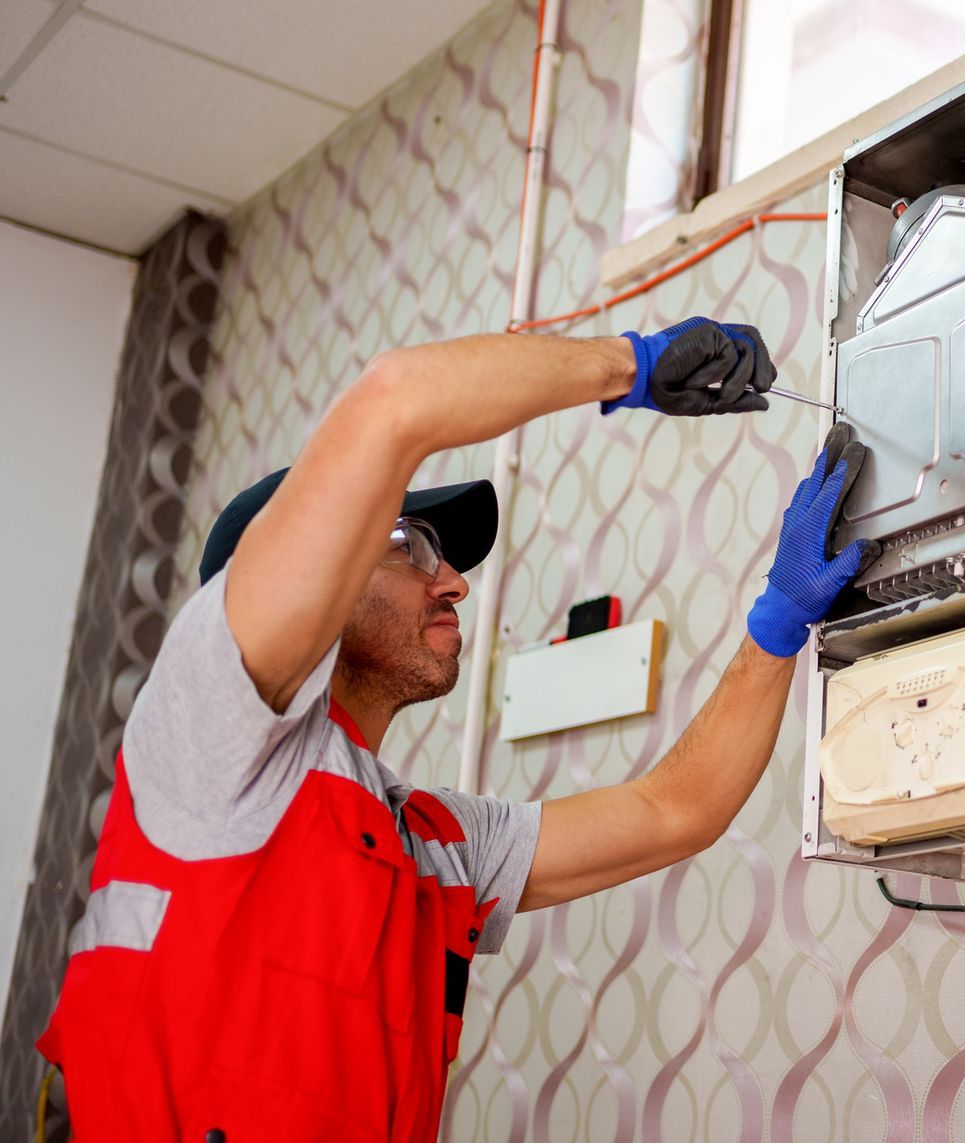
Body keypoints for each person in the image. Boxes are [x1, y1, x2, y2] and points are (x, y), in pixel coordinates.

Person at [36, 318, 875, 1140]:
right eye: (411, 545)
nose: (454, 584)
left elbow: (677, 809)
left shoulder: (432, 847)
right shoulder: (205, 725)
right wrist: (635, 365)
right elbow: (395, 399)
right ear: (299, 572)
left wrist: (779, 619)